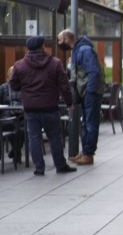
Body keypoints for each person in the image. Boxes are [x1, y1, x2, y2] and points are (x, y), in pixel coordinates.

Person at [10, 37, 77, 176]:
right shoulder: (55, 63)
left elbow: (14, 85)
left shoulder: (19, 65)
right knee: (54, 137)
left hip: (30, 108)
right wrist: (69, 103)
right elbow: (64, 86)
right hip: (50, 107)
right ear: (43, 47)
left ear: (27, 48)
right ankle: (60, 165)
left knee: (34, 137)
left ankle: (39, 168)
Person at [58, 29, 105, 166]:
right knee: (86, 122)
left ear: (67, 39)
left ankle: (88, 154)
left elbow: (93, 72)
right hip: (85, 92)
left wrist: (90, 91)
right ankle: (85, 152)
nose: (59, 43)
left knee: (90, 123)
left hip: (90, 92)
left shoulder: (84, 50)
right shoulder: (78, 50)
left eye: (60, 40)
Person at [0, 66, 24, 162]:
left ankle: (15, 150)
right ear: (8, 76)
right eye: (12, 74)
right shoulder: (3, 88)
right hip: (7, 115)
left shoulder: (24, 88)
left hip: (21, 115)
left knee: (23, 129)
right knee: (11, 125)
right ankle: (16, 151)